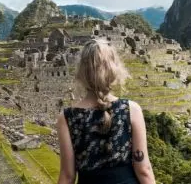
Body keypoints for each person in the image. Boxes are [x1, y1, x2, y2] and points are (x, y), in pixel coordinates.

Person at [57, 39, 156, 184]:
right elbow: (143, 169)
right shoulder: (131, 110)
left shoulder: (67, 118)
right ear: (113, 70)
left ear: (81, 73)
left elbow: (67, 176)